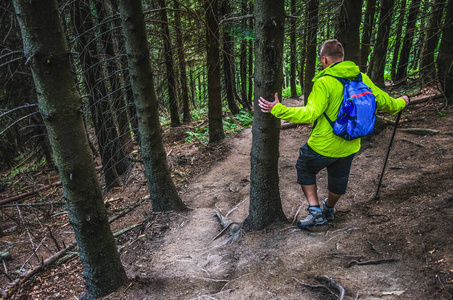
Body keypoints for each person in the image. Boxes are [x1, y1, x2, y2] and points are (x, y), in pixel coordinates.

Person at [258, 39, 409, 229]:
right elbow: (388, 103)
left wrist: (277, 109)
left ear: (324, 59)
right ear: (342, 57)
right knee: (338, 179)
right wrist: (403, 101)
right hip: (351, 144)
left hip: (323, 145)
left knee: (304, 168)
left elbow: (309, 114)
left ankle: (315, 212)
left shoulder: (324, 82)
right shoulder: (362, 78)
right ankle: (329, 208)